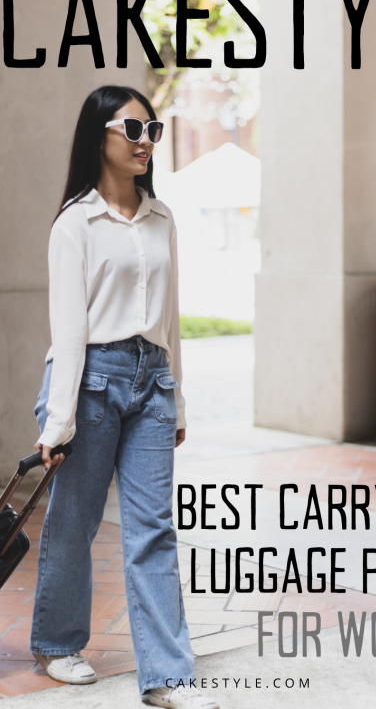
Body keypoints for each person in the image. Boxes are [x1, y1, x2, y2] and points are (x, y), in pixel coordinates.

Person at [30, 85, 218, 709]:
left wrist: (180, 403)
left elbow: (171, 320)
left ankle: (167, 677)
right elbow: (70, 332)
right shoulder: (75, 222)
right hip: (89, 383)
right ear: (100, 137)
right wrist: (58, 421)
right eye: (134, 129)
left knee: (153, 530)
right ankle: (57, 644)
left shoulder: (162, 217)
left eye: (154, 130)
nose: (146, 141)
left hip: (153, 382)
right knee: (74, 522)